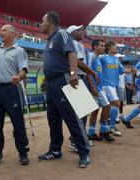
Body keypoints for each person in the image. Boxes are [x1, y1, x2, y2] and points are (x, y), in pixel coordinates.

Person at [38, 11, 91, 168]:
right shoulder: (49, 40)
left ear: (51, 22)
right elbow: (52, 62)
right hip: (51, 84)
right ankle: (55, 150)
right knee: (53, 119)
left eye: (43, 21)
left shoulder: (61, 34)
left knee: (72, 118)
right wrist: (46, 80)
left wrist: (73, 73)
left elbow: (72, 53)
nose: (41, 24)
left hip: (64, 79)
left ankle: (84, 152)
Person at [0, 24, 30, 167]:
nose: (0, 32)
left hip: (12, 89)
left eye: (4, 30)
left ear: (13, 34)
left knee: (18, 123)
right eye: (0, 30)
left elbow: (24, 70)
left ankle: (23, 152)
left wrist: (19, 77)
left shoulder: (19, 51)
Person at [66, 24, 99, 150]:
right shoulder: (75, 44)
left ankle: (77, 137)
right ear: (72, 32)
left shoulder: (73, 44)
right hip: (78, 78)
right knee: (82, 112)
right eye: (79, 30)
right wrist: (93, 72)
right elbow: (79, 63)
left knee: (81, 112)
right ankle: (76, 140)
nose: (82, 32)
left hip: (77, 78)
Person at [87, 39, 115, 142]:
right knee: (107, 106)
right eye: (102, 46)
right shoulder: (91, 56)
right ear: (95, 47)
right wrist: (93, 86)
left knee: (95, 110)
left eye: (104, 46)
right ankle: (103, 131)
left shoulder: (98, 58)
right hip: (95, 87)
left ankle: (91, 132)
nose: (104, 47)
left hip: (99, 87)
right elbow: (87, 71)